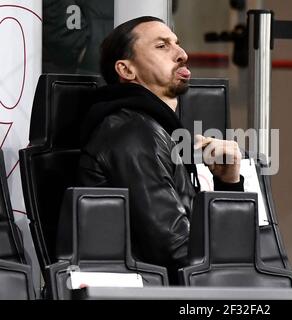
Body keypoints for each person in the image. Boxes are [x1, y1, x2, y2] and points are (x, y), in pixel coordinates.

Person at [77, 16, 244, 283]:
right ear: (127, 70)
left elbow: (200, 252)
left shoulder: (156, 129)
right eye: (162, 46)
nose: (182, 54)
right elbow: (176, 253)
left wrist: (227, 183)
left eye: (177, 44)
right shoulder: (134, 133)